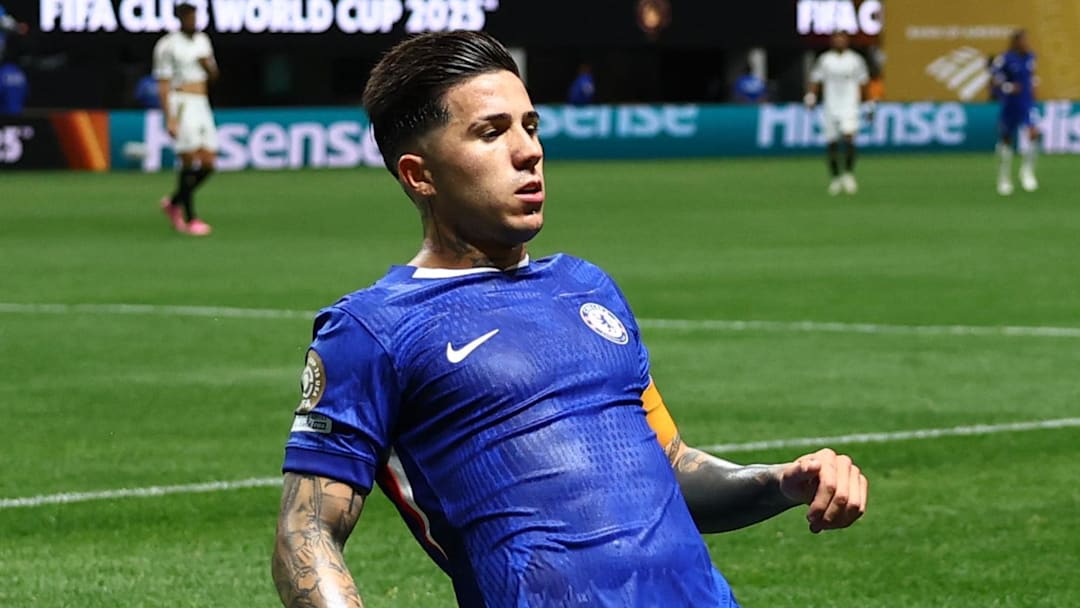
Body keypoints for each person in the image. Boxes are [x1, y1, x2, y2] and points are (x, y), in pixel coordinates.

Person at [272, 31, 868, 608]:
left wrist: (781, 482)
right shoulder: (372, 330)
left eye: (530, 126)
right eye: (491, 132)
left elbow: (675, 469)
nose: (529, 150)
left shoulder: (587, 285)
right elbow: (307, 531)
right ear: (419, 174)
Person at [151, 2, 218, 235]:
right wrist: (169, 117)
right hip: (181, 101)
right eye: (189, 17)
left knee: (209, 162)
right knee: (189, 158)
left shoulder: (203, 40)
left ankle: (174, 202)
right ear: (180, 19)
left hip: (201, 102)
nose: (193, 21)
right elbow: (163, 84)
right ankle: (191, 219)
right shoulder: (167, 46)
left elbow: (214, 74)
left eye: (195, 17)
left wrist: (206, 65)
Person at [804, 32, 873, 196]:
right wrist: (811, 96)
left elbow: (864, 83)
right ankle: (835, 178)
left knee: (849, 138)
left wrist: (869, 105)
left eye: (842, 39)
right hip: (830, 106)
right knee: (832, 143)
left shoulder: (855, 60)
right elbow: (815, 80)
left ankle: (848, 174)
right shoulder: (825, 60)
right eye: (836, 39)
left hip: (850, 105)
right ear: (832, 41)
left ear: (847, 41)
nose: (839, 42)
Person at [990, 30, 1039, 196]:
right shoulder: (1004, 59)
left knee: (1033, 133)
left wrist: (1034, 87)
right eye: (1024, 40)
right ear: (1016, 42)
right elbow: (994, 80)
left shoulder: (1031, 57)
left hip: (1026, 104)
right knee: (1006, 139)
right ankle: (1004, 178)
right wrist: (1009, 87)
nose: (1027, 43)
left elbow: (1030, 77)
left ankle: (1027, 172)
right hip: (1010, 105)